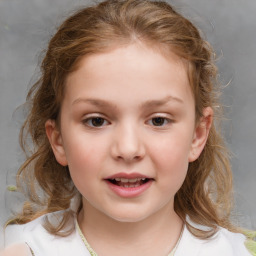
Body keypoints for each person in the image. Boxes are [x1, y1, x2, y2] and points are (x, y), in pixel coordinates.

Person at [1, 0, 256, 255]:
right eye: (97, 121)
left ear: (198, 135)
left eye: (158, 120)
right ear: (58, 140)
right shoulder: (19, 249)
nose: (128, 148)